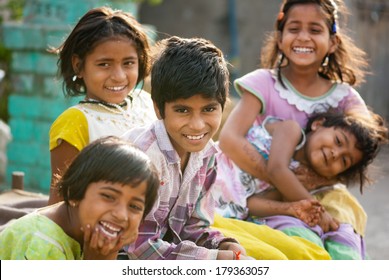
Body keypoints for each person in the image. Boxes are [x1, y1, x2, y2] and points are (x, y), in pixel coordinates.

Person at [120, 36, 331, 260]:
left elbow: (193, 228)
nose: (197, 124)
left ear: (223, 106)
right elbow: (139, 248)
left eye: (209, 109)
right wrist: (215, 259)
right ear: (159, 109)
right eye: (182, 110)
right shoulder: (146, 157)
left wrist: (225, 245)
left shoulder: (206, 155)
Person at [215, 0, 382, 259]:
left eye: (315, 30)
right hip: (261, 183)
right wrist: (282, 179)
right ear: (280, 38)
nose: (304, 37)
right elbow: (229, 139)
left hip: (316, 192)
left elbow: (363, 147)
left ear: (333, 41)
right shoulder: (264, 82)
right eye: (294, 29)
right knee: (298, 233)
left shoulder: (344, 98)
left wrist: (313, 183)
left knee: (343, 222)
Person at [48, 6, 157, 205]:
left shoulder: (146, 101)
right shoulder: (74, 122)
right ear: (78, 66)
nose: (118, 76)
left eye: (128, 63)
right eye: (104, 64)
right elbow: (61, 201)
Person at [214, 110, 387, 227]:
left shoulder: (298, 183)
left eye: (344, 161)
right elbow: (277, 170)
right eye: (338, 141)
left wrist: (292, 208)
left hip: (221, 208)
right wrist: (320, 212)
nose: (336, 153)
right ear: (318, 124)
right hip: (209, 173)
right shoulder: (291, 131)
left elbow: (251, 204)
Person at [0, 136, 159, 260]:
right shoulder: (42, 243)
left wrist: (108, 253)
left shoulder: (86, 233)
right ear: (74, 193)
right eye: (108, 196)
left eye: (134, 206)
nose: (121, 215)